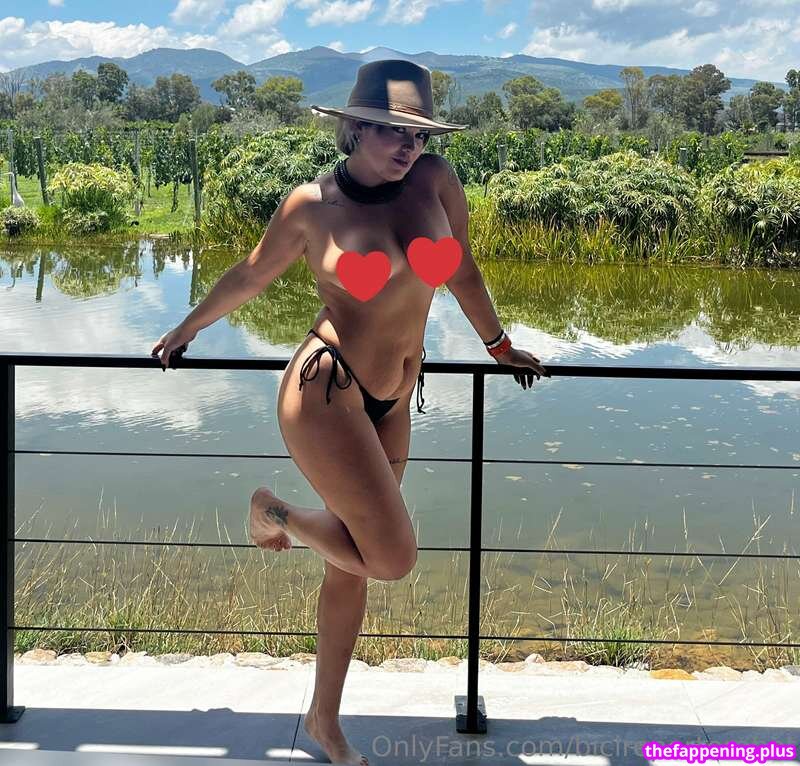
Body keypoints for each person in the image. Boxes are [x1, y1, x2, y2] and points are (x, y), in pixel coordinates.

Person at [151, 59, 549, 766]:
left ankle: (323, 721)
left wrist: (498, 345)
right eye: (395, 132)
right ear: (357, 129)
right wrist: (187, 328)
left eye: (419, 134)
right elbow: (252, 273)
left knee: (353, 566)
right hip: (327, 391)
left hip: (394, 398)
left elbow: (460, 268)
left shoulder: (435, 181)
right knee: (390, 558)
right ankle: (273, 511)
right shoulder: (312, 205)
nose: (410, 146)